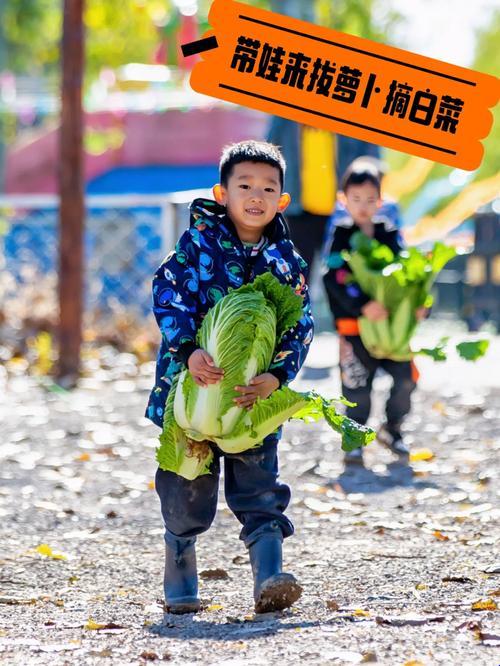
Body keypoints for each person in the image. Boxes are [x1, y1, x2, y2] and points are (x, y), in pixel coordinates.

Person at [146, 140, 314, 615]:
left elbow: (300, 323)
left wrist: (277, 377)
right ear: (222, 193)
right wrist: (188, 350)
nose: (255, 196)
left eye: (268, 188)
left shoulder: (287, 262)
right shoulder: (196, 245)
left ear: (282, 200)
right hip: (193, 390)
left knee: (260, 489)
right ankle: (179, 562)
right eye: (244, 186)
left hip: (250, 399)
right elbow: (168, 294)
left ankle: (269, 577)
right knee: (185, 488)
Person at [322, 162, 424, 466]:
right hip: (354, 326)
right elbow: (334, 277)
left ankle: (392, 429)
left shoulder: (390, 235)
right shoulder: (341, 236)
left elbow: (408, 274)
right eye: (356, 199)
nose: (363, 207)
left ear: (381, 202)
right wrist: (363, 303)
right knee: (356, 386)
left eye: (370, 200)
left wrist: (420, 304)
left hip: (391, 328)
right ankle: (354, 439)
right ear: (344, 199)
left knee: (406, 380)